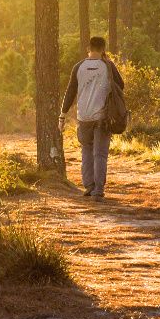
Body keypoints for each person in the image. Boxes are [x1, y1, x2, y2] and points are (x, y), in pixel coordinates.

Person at [60, 37, 124, 199]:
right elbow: (121, 85)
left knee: (86, 151)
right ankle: (98, 190)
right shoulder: (108, 66)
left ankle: (89, 186)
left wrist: (63, 114)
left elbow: (70, 92)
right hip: (102, 116)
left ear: (88, 48)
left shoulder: (78, 66)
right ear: (103, 48)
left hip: (83, 116)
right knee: (100, 154)